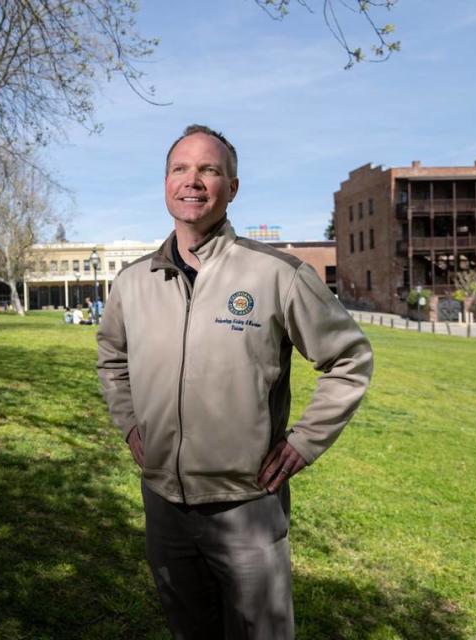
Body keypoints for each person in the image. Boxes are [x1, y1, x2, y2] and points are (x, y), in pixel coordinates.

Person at [96, 124, 373, 639]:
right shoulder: (133, 282)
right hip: (164, 505)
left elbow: (349, 358)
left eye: (209, 170)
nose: (193, 181)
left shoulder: (275, 274)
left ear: (233, 187)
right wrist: (131, 425)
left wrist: (305, 442)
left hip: (246, 506)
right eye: (180, 169)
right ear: (165, 184)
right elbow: (112, 357)